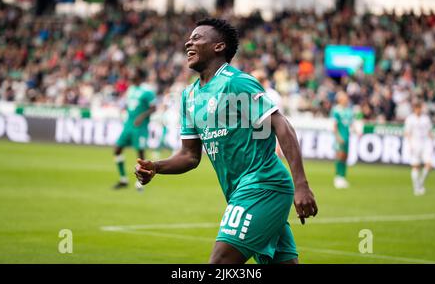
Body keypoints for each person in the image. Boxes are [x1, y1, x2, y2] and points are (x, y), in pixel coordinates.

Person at [134, 18, 318, 264]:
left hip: (263, 184)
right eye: (189, 38)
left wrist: (302, 185)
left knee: (219, 264)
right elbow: (189, 156)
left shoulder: (235, 81)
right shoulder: (189, 95)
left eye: (197, 38)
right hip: (239, 191)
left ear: (218, 47)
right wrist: (156, 167)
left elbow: (281, 125)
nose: (189, 42)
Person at [113, 68, 156, 190]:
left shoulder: (147, 91)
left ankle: (141, 182)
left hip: (140, 127)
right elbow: (130, 105)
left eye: (133, 74)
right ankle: (123, 179)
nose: (131, 76)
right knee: (117, 149)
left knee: (141, 155)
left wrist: (141, 117)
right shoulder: (130, 89)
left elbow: (153, 108)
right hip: (128, 125)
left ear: (139, 76)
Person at [404, 101, 433, 196]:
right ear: (414, 109)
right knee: (415, 166)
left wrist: (432, 142)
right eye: (416, 108)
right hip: (415, 143)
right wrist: (409, 145)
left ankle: (420, 183)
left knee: (428, 166)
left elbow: (429, 131)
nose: (418, 110)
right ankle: (416, 188)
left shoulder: (426, 119)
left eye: (419, 107)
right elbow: (407, 132)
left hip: (425, 144)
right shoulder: (410, 119)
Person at [330, 91, 354, 189]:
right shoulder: (336, 110)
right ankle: (337, 177)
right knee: (339, 156)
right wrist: (338, 137)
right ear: (340, 99)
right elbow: (334, 125)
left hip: (347, 137)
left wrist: (356, 130)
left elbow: (350, 124)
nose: (346, 99)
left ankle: (343, 177)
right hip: (340, 137)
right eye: (344, 98)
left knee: (345, 157)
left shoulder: (349, 111)